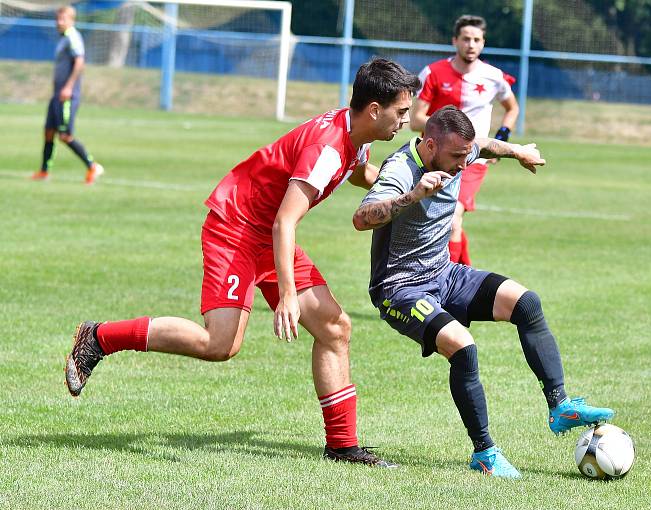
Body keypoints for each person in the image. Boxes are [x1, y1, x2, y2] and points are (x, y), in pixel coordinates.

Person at [64, 58, 422, 468]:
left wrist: (401, 187)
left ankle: (343, 446)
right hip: (235, 227)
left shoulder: (356, 133)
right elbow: (287, 221)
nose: (406, 121)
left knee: (335, 327)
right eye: (401, 112)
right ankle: (100, 337)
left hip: (266, 233)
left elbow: (357, 172)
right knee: (220, 345)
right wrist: (287, 295)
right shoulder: (327, 147)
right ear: (374, 110)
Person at [353, 106, 614, 479]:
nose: (464, 164)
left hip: (444, 273)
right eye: (457, 157)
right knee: (463, 347)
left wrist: (519, 150)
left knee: (526, 302)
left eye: (466, 154)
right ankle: (485, 454)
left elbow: (485, 147)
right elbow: (361, 218)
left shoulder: (460, 148)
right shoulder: (400, 170)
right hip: (400, 288)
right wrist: (412, 196)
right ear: (429, 146)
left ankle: (561, 407)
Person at [410, 14, 519, 266]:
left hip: (473, 160)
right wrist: (446, 132)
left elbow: (512, 108)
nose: (471, 44)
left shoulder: (493, 76)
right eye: (466, 39)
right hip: (435, 160)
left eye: (477, 40)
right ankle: (467, 276)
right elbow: (416, 119)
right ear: (455, 41)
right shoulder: (434, 73)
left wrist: (500, 139)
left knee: (452, 220)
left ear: (483, 43)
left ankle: (447, 285)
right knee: (442, 219)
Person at [32, 5, 104, 184]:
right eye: (57, 18)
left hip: (67, 95)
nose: (59, 22)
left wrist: (68, 87)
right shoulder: (63, 38)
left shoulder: (73, 37)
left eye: (63, 19)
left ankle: (92, 166)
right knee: (49, 132)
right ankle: (44, 171)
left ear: (72, 20)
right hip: (57, 95)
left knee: (64, 135)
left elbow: (80, 62)